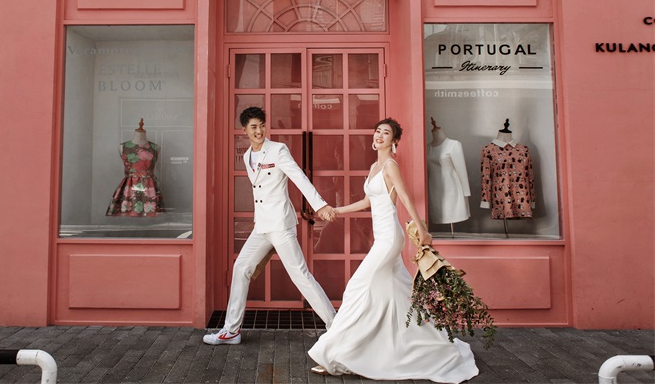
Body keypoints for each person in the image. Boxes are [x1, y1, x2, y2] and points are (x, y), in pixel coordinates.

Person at [308, 118, 479, 382]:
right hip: (382, 238)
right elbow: (366, 202)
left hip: (389, 239)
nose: (379, 135)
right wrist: (336, 211)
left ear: (394, 141)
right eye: (377, 131)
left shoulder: (390, 166)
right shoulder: (374, 167)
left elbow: (405, 197)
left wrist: (422, 229)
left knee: (356, 289)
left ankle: (334, 353)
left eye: (386, 133)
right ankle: (432, 345)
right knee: (393, 295)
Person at [203, 106, 338, 345]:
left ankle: (336, 328)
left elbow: (299, 177)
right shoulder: (247, 156)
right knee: (241, 268)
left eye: (262, 126)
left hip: (281, 226)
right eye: (254, 127)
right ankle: (231, 331)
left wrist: (320, 205)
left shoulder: (278, 150)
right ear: (244, 130)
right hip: (262, 227)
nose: (259, 131)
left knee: (301, 276)